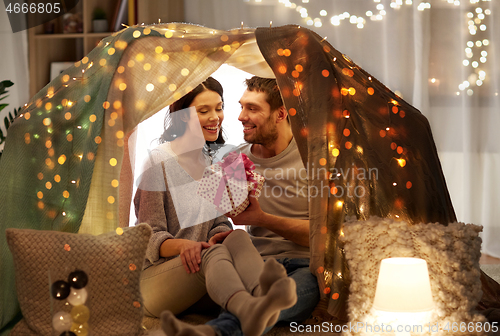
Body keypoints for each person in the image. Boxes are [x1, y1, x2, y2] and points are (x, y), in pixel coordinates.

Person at [134, 77, 297, 336]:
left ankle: (262, 299)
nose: (215, 117)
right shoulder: (158, 163)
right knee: (214, 253)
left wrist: (219, 234)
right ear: (183, 117)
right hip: (157, 281)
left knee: (238, 236)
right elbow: (149, 238)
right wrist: (187, 245)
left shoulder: (216, 161)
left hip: (200, 272)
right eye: (204, 111)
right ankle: (247, 308)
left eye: (219, 108)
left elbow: (219, 223)